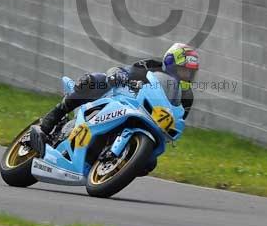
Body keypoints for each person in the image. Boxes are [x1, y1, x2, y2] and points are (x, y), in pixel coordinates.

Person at [28, 43, 199, 157]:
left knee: (149, 163)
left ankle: (118, 159)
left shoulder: (187, 96)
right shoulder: (150, 66)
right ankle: (48, 123)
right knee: (96, 80)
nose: (186, 76)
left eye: (190, 73)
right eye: (183, 71)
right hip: (124, 100)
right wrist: (118, 75)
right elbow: (125, 70)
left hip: (150, 122)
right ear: (169, 64)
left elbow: (178, 118)